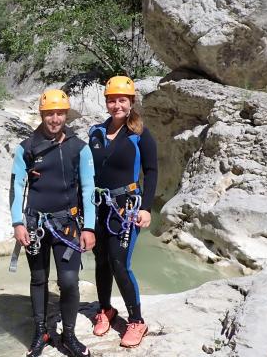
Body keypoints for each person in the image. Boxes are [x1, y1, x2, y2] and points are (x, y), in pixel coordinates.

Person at [10, 89, 96, 357]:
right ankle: (41, 332)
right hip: (35, 223)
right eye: (49, 114)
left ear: (66, 115)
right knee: (38, 279)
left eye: (59, 113)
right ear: (41, 114)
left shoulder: (79, 148)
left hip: (67, 223)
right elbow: (16, 187)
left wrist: (90, 227)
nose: (55, 119)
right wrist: (17, 223)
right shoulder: (25, 148)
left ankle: (68, 334)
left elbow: (88, 187)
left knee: (69, 281)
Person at [88, 76, 157, 348]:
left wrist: (148, 208)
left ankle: (137, 321)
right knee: (102, 260)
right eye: (112, 100)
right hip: (99, 205)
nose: (116, 105)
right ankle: (105, 310)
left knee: (119, 261)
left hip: (126, 207)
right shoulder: (95, 132)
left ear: (131, 102)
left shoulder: (140, 134)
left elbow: (151, 172)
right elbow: (86, 171)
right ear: (106, 102)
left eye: (122, 100)